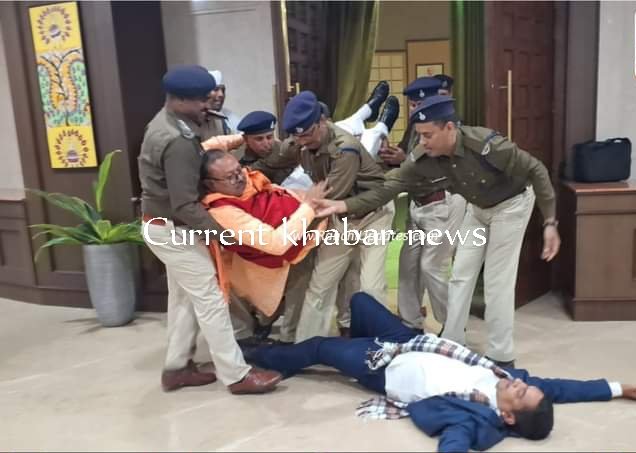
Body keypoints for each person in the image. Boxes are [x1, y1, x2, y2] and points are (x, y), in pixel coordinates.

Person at [315, 95, 561, 367]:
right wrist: (343, 205)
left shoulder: (486, 145)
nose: (422, 142)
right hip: (478, 208)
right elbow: (388, 188)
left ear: (450, 128)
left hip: (511, 206)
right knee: (460, 275)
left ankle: (501, 355)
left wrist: (550, 222)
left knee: (496, 281)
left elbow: (536, 169)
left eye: (428, 135)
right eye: (420, 135)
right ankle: (454, 342)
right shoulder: (423, 158)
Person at [243, 291, 636, 453]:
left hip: (383, 364)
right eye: (525, 386)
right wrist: (621, 388)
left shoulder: (476, 419)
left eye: (519, 393)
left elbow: (454, 444)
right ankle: (348, 349)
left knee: (318, 348)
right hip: (409, 341)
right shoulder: (512, 384)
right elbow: (566, 388)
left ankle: (260, 355)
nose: (519, 382)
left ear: (508, 416)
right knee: (360, 301)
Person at [138, 64, 282, 394]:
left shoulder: (163, 122)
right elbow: (185, 205)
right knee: (211, 300)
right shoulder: (177, 140)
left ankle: (176, 369)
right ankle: (237, 375)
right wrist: (223, 234)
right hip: (174, 230)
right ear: (180, 100)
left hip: (162, 226)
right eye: (202, 100)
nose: (209, 104)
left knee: (185, 301)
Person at [251, 90, 394, 342]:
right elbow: (272, 161)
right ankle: (306, 345)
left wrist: (292, 226)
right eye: (298, 136)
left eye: (307, 134)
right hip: (339, 216)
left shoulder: (345, 149)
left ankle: (379, 344)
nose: (303, 141)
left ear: (322, 122)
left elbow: (328, 198)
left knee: (370, 286)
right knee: (320, 284)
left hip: (372, 214)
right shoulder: (300, 141)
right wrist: (244, 176)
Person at [199, 150, 328, 335]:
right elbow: (276, 243)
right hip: (281, 259)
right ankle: (287, 341)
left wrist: (310, 201)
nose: (240, 178)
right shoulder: (221, 211)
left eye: (239, 170)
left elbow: (288, 194)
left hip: (310, 236)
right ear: (210, 184)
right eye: (230, 177)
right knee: (297, 306)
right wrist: (309, 206)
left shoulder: (252, 181)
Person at [378, 77, 466, 331]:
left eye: (418, 104)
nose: (414, 109)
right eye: (412, 104)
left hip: (442, 202)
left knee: (432, 267)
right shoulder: (416, 125)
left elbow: (431, 165)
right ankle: (410, 323)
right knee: (407, 266)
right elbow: (408, 159)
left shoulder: (447, 128)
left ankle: (453, 326)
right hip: (418, 204)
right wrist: (392, 154)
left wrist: (403, 159)